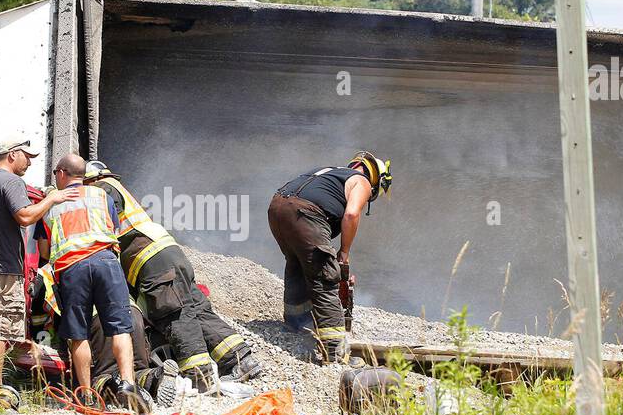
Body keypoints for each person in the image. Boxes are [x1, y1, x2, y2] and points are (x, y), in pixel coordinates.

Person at [84, 161, 264, 386]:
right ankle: (241, 360)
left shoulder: (101, 189)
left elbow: (105, 228)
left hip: (150, 261)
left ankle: (198, 375)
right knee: (197, 309)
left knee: (173, 313)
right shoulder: (117, 188)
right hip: (169, 254)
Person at [0, 138, 78, 408]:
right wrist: (51, 199)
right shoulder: (13, 183)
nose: (30, 162)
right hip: (4, 272)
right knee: (0, 331)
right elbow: (25, 217)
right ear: (12, 154)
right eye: (27, 156)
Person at [35, 153, 152, 413]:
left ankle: (86, 396)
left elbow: (43, 250)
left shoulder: (51, 205)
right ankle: (128, 385)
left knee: (78, 334)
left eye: (55, 172)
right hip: (106, 263)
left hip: (72, 269)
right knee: (120, 328)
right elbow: (114, 229)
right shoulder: (102, 196)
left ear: (62, 174)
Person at [268, 151, 392, 364]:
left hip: (278, 208)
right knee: (325, 276)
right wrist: (344, 252)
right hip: (305, 213)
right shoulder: (361, 182)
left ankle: (297, 323)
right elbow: (352, 214)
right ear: (376, 180)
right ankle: (334, 353)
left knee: (298, 264)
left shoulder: (330, 173)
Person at [29, 266, 181, 407]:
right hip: (132, 314)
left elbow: (38, 317)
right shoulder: (107, 257)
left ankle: (115, 390)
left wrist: (39, 339)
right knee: (136, 369)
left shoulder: (50, 271)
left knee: (103, 376)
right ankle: (156, 376)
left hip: (99, 320)